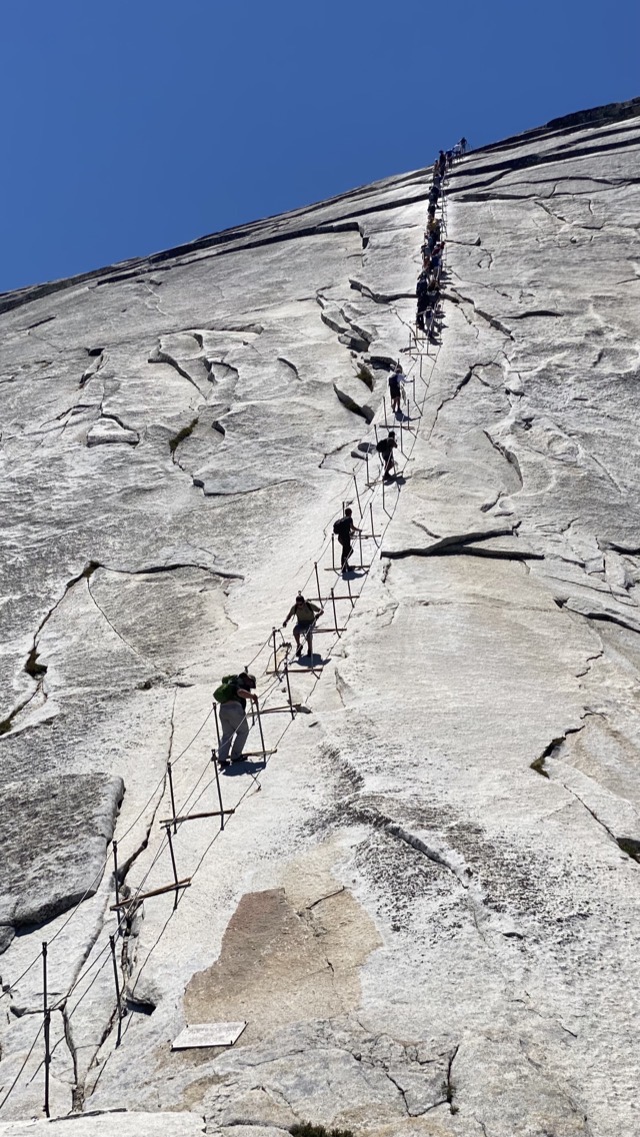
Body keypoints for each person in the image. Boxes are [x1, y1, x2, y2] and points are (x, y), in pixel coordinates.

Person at [215, 670, 258, 767]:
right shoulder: (238, 683)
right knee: (243, 731)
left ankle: (222, 758)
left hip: (223, 709)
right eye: (251, 682)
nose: (250, 686)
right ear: (247, 678)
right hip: (234, 708)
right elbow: (240, 692)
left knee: (227, 734)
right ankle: (235, 755)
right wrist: (252, 697)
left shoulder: (231, 683)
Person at [333, 507, 360, 573]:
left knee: (345, 551)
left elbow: (345, 529)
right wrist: (358, 530)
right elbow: (352, 527)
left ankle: (344, 566)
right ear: (350, 513)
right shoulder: (349, 519)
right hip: (345, 538)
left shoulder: (342, 519)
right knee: (349, 551)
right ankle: (344, 566)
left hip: (340, 538)